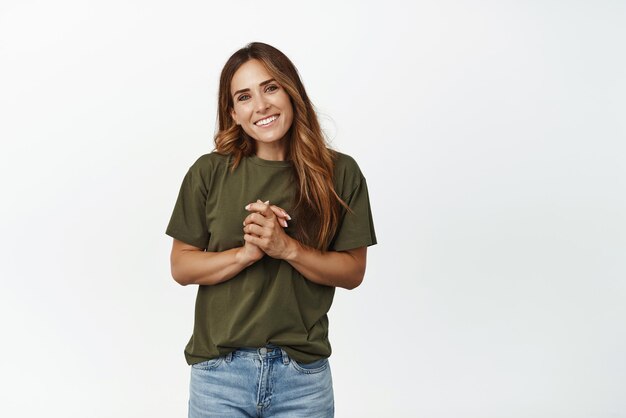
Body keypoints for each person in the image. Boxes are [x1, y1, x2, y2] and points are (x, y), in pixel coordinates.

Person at [166, 42, 377, 418]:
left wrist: (286, 248)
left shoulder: (340, 174)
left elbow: (352, 272)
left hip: (303, 379)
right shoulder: (209, 172)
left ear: (290, 90)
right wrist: (247, 254)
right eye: (244, 96)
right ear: (233, 113)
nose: (260, 105)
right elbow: (181, 267)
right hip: (220, 375)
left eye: (270, 87)